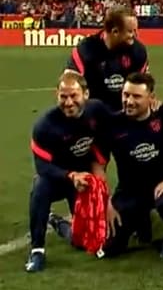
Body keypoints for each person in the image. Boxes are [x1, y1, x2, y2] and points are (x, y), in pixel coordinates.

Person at [25, 72, 112, 273]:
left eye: (74, 95)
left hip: (84, 180)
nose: (69, 102)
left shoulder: (97, 110)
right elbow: (42, 167)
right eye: (63, 96)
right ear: (56, 95)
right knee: (39, 187)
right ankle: (37, 250)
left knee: (83, 242)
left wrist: (98, 166)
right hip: (56, 178)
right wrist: (70, 176)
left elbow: (108, 135)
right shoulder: (44, 126)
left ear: (86, 94)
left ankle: (59, 223)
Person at [96, 72, 163, 259]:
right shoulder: (113, 124)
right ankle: (142, 221)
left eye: (136, 96)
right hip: (129, 192)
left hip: (161, 185)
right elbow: (98, 164)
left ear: (151, 98)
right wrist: (105, 200)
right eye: (126, 94)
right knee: (109, 248)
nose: (129, 101)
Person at [66, 5, 149, 111]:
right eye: (130, 31)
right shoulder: (85, 50)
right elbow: (68, 85)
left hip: (124, 114)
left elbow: (143, 87)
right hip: (91, 114)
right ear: (115, 32)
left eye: (135, 30)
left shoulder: (138, 51)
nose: (135, 35)